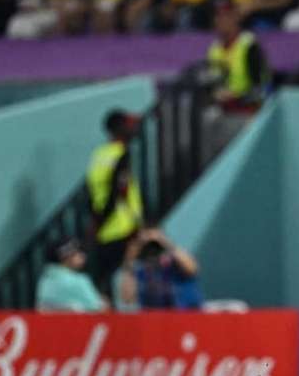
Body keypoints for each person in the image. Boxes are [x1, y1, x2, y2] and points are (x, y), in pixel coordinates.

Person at [86, 109, 144, 296]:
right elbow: (118, 191)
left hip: (105, 229)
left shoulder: (99, 154)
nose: (134, 129)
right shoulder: (121, 155)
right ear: (118, 129)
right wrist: (137, 226)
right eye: (129, 125)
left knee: (106, 283)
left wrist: (97, 223)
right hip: (122, 227)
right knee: (124, 283)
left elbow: (93, 191)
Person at [114, 227, 202, 311]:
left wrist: (163, 241)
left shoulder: (176, 265)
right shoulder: (140, 270)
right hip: (154, 321)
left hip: (187, 318)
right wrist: (130, 257)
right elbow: (127, 298)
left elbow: (192, 268)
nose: (152, 249)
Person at [36, 237, 108, 312]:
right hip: (81, 323)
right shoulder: (79, 280)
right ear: (65, 257)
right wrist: (103, 303)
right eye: (77, 252)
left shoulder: (44, 281)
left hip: (47, 323)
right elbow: (98, 308)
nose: (82, 255)